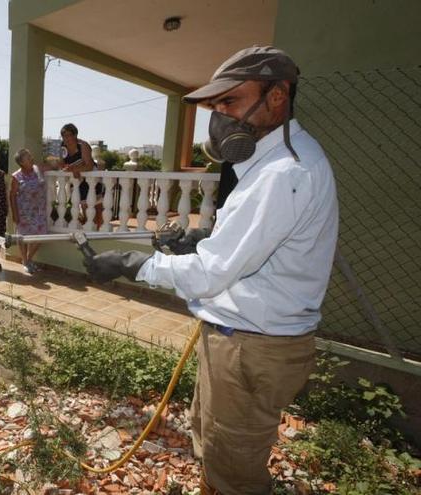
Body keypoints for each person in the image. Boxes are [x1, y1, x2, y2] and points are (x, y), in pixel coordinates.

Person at [85, 46, 338, 495]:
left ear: (277, 97)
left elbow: (211, 276)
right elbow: (258, 248)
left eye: (231, 102)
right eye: (216, 106)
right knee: (217, 447)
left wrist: (130, 264)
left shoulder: (283, 173)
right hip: (238, 337)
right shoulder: (272, 164)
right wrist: (202, 241)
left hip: (251, 346)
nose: (219, 118)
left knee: (235, 473)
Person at [9, 149, 55, 273]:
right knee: (22, 237)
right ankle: (26, 261)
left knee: (42, 235)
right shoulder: (17, 176)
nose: (31, 158)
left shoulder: (37, 169)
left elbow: (52, 166)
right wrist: (15, 214)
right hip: (24, 211)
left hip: (39, 211)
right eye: (27, 157)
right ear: (22, 162)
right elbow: (12, 195)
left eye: (30, 155)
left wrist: (60, 165)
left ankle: (27, 260)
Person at [58, 123, 102, 228]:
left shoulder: (83, 145)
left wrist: (74, 169)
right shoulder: (62, 147)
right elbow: (61, 165)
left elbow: (89, 166)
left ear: (75, 135)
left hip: (92, 180)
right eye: (64, 135)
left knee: (96, 209)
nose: (66, 138)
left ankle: (97, 233)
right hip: (77, 181)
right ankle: (90, 230)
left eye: (68, 135)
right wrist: (71, 169)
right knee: (85, 208)